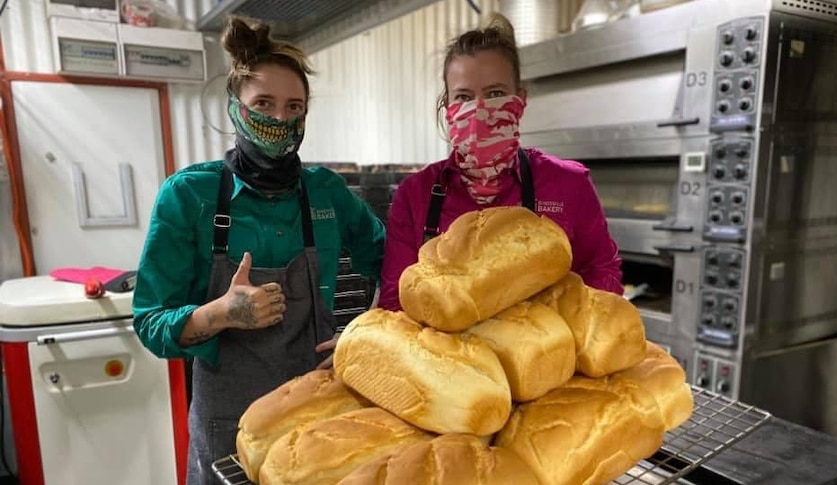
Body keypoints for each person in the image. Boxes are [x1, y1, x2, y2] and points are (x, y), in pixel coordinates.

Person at [132, 16, 385, 485]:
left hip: (319, 408)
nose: (279, 120)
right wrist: (222, 314)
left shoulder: (326, 191)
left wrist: (364, 335)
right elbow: (150, 321)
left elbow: (392, 266)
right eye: (263, 104)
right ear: (235, 107)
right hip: (228, 421)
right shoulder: (190, 195)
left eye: (294, 107)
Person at [379, 13, 622, 311]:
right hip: (448, 353)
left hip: (547, 350)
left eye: (495, 93)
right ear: (448, 109)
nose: (480, 109)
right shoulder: (415, 195)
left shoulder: (568, 184)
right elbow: (397, 300)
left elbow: (602, 269)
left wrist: (573, 316)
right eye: (464, 96)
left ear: (520, 100)